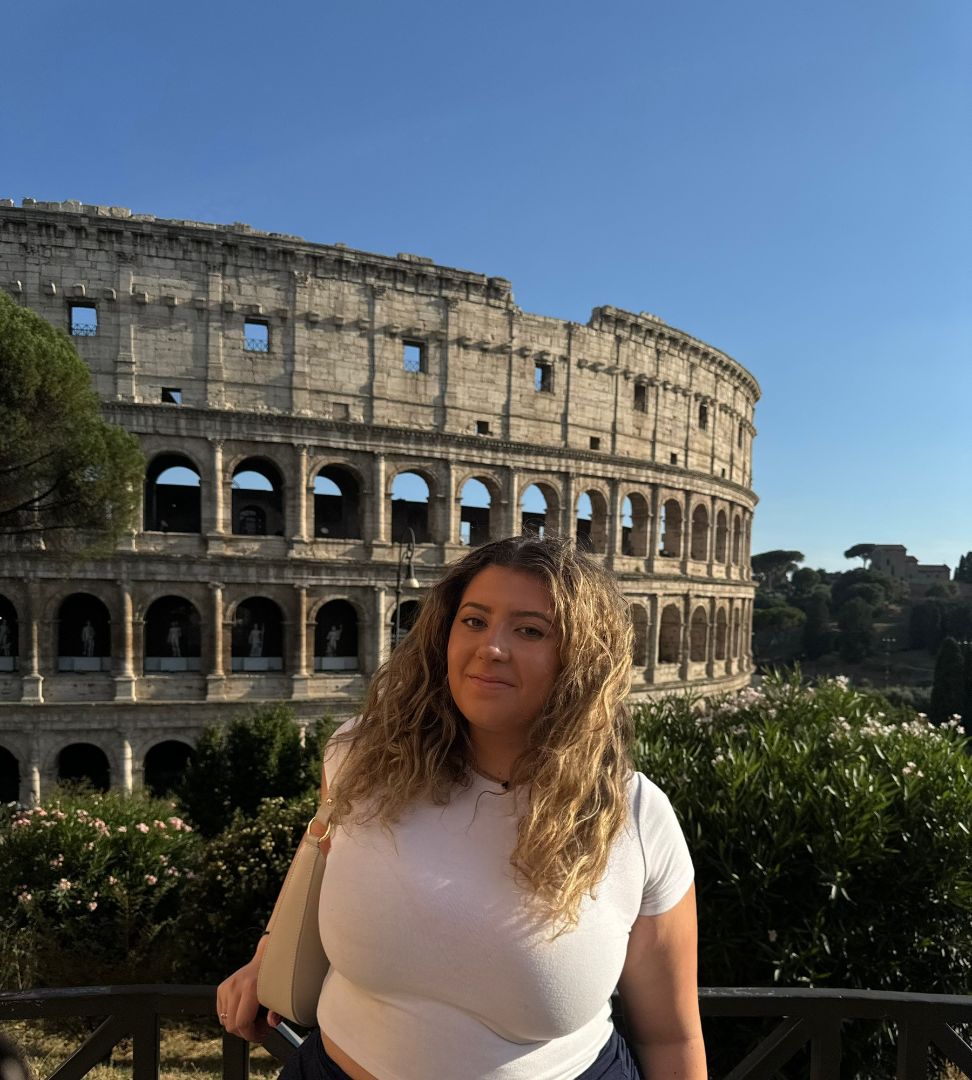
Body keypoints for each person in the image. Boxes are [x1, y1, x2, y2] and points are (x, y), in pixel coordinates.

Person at [218, 535, 705, 1079]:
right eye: (474, 621)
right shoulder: (360, 755)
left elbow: (671, 1036)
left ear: (582, 661)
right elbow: (322, 852)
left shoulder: (632, 817)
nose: (491, 647)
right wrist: (268, 955)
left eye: (529, 630)